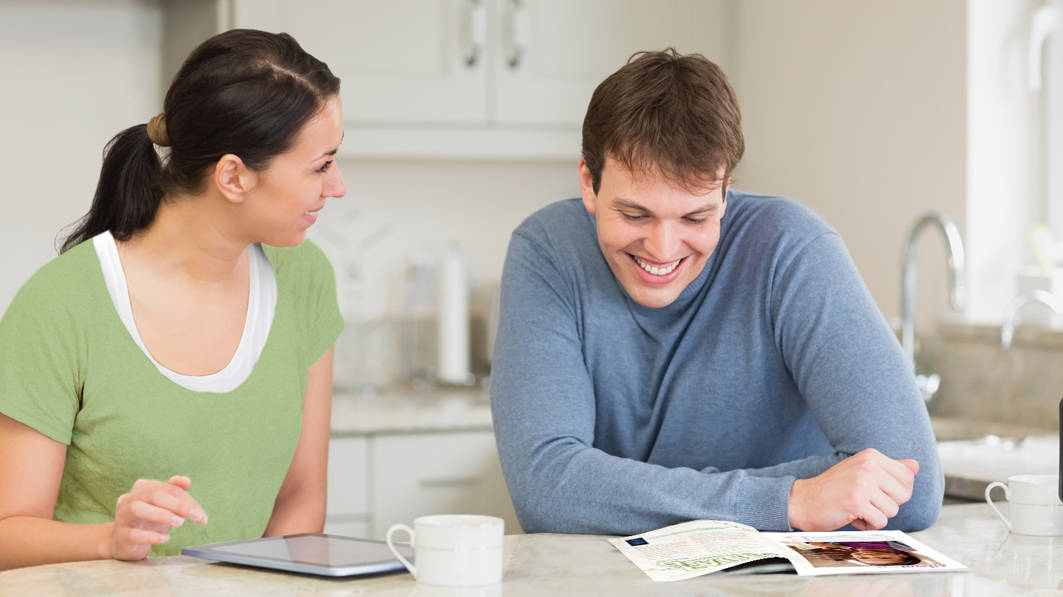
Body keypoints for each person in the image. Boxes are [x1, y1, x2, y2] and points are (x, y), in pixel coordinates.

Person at [490, 48, 943, 535]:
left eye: (695, 217)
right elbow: (546, 490)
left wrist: (612, 494)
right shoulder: (547, 251)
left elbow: (909, 487)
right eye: (635, 214)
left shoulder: (792, 248)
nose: (662, 249)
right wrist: (791, 501)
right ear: (588, 183)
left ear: (727, 190)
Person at [0, 29, 346, 569]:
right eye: (322, 165)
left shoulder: (305, 279)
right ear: (233, 176)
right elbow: (8, 534)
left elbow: (301, 498)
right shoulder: (60, 305)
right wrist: (108, 541)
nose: (338, 185)